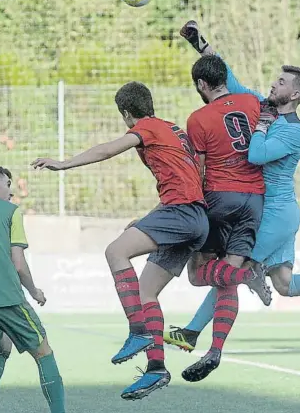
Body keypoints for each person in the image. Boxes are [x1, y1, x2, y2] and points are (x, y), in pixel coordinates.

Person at [165, 21, 300, 372]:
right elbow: (229, 80)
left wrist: (264, 123)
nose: (273, 84)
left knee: (229, 270)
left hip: (276, 214)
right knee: (285, 284)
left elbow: (255, 155)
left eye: (281, 82)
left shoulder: (295, 132)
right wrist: (200, 44)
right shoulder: (258, 104)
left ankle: (192, 333)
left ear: (295, 95)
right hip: (275, 212)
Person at [31, 81, 210, 400]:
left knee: (115, 252)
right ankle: (156, 369)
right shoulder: (173, 129)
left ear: (127, 114)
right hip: (194, 217)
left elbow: (108, 149)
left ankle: (138, 331)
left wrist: (63, 164)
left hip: (181, 212)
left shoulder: (147, 128)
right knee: (146, 292)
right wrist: (150, 218)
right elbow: (187, 179)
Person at [177, 54, 272, 381]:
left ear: (202, 84)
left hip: (220, 197)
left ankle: (249, 276)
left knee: (199, 272)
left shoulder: (198, 118)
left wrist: (192, 206)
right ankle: (215, 350)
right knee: (225, 275)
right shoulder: (252, 102)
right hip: (255, 198)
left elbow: (199, 169)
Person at [0, 165, 65, 413]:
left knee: (1, 346)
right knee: (43, 351)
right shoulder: (10, 211)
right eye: (8, 185)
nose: (11, 193)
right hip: (5, 297)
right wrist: (34, 291)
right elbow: (18, 264)